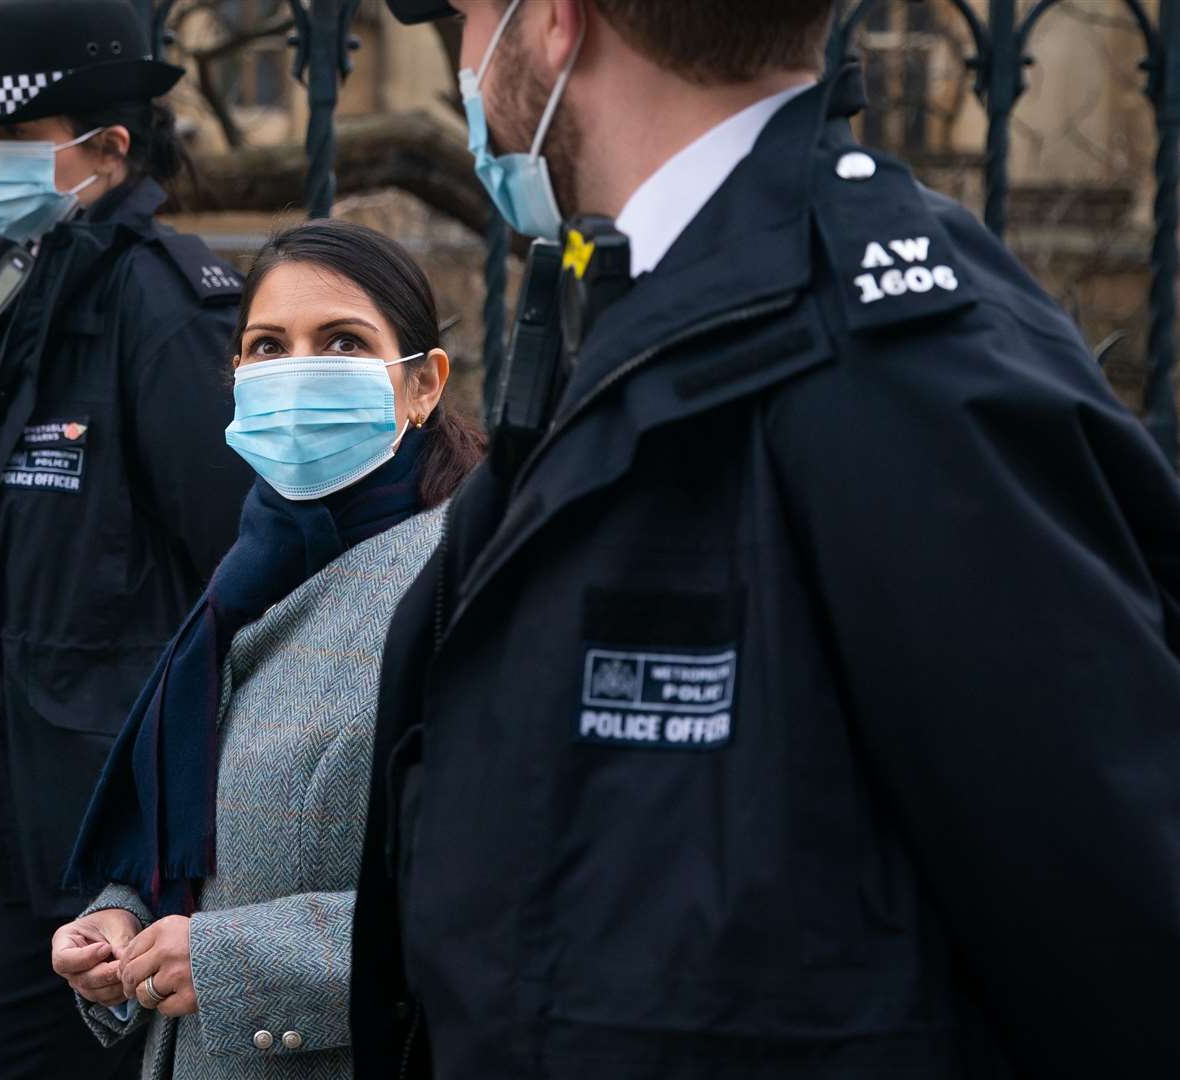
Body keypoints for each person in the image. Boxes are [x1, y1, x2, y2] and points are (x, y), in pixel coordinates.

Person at [355, 0, 1180, 1076]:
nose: (461, 66)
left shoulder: (898, 374)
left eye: (464, 18)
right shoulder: (629, 303)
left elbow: (1122, 946)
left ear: (555, 23)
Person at [0, 0, 251, 1076]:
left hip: (116, 856)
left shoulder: (163, 309)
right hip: (7, 828)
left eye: (10, 144)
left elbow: (241, 559)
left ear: (107, 149)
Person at [49, 219, 485, 1080]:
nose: (300, 369)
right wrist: (119, 921)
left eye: (342, 341)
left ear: (424, 385)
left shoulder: (457, 584)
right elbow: (198, 841)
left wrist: (231, 961)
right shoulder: (245, 574)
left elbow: (493, 901)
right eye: (267, 345)